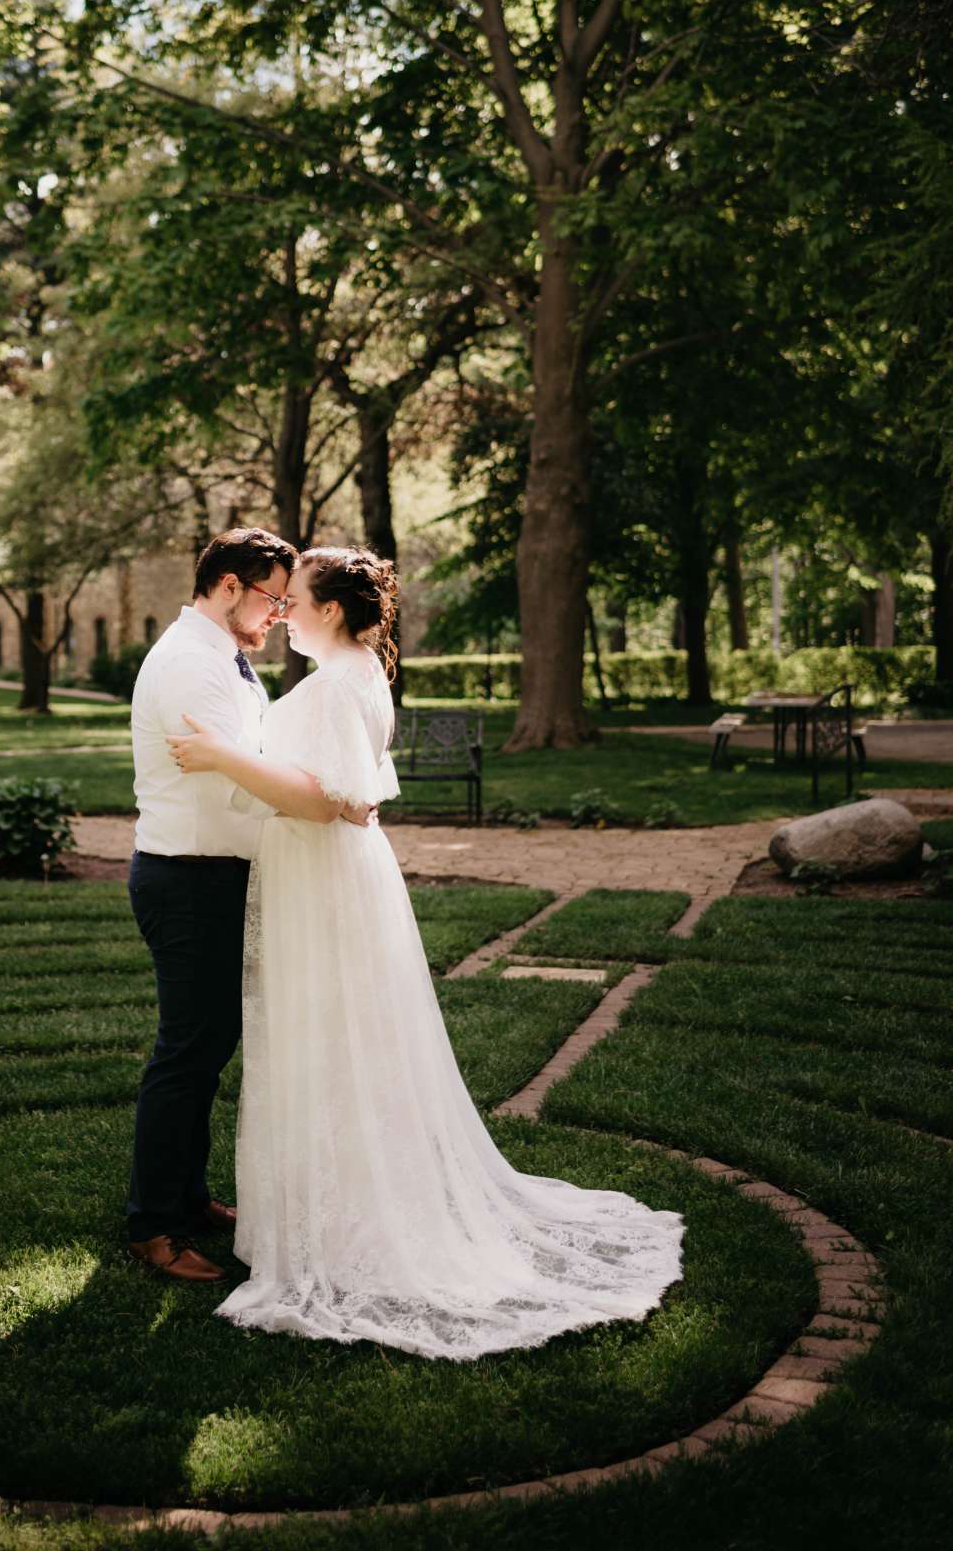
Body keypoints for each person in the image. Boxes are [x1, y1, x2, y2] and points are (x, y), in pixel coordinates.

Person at [167, 546, 685, 1361]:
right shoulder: (357, 673)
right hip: (329, 876)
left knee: (328, 1040)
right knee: (339, 1040)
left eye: (294, 598)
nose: (284, 610)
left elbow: (331, 802)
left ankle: (346, 1220)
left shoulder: (338, 683)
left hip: (322, 869)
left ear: (330, 609)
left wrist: (221, 755)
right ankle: (338, 1201)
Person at [126, 528, 377, 1283]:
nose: (279, 613)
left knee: (209, 1046)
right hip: (187, 876)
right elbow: (243, 781)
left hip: (219, 872)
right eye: (272, 596)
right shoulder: (187, 665)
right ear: (229, 587)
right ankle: (152, 1224)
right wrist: (323, 792)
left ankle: (189, 1195)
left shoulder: (223, 659)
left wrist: (331, 786)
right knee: (186, 1050)